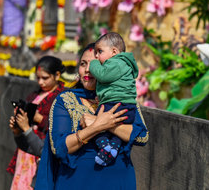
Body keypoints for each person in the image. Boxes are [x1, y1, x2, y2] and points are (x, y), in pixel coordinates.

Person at [34, 43, 148, 190]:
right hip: (77, 182)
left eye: (95, 63)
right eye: (83, 64)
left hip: (118, 182)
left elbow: (142, 136)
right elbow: (59, 147)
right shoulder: (66, 100)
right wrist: (95, 128)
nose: (88, 69)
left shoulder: (123, 98)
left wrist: (106, 124)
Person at [8, 56, 66, 190]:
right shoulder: (34, 95)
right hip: (26, 146)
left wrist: (39, 118)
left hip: (41, 149)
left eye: (45, 78)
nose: (40, 82)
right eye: (38, 78)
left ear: (57, 75)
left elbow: (60, 125)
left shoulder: (62, 97)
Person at [88, 32, 139, 166]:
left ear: (114, 51)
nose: (96, 56)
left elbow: (103, 76)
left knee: (94, 126)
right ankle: (113, 148)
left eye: (99, 51)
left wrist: (92, 64)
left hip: (116, 104)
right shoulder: (122, 64)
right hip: (127, 108)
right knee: (117, 134)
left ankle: (104, 147)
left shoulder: (117, 62)